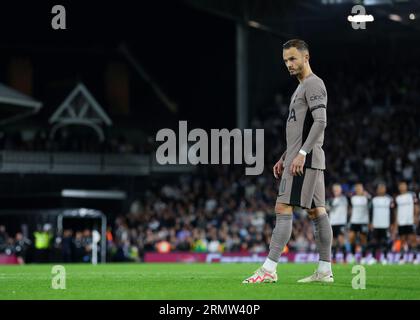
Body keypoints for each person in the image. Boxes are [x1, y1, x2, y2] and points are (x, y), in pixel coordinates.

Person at [243, 39, 333, 284]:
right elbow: (299, 129)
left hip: (306, 159)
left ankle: (269, 269)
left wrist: (301, 155)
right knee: (317, 212)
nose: (289, 64)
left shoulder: (313, 83)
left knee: (282, 208)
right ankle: (324, 270)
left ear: (306, 57)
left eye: (293, 58)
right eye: (285, 60)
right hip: (306, 157)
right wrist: (286, 155)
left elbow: (321, 121)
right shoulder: (301, 86)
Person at [395, 181, 419, 264]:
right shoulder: (398, 198)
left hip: (410, 221)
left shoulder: (411, 195)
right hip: (401, 222)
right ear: (399, 188)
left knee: (413, 239)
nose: (402, 187)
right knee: (402, 240)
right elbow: (396, 211)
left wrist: (416, 217)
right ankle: (402, 258)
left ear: (406, 187)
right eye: (401, 186)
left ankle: (415, 257)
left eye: (404, 185)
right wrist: (396, 222)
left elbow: (416, 206)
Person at [370, 183, 394, 264]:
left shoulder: (389, 199)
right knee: (374, 242)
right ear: (377, 190)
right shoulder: (374, 200)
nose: (381, 190)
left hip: (385, 224)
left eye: (382, 188)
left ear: (385, 189)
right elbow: (371, 212)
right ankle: (374, 258)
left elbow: (392, 212)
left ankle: (385, 257)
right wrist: (370, 223)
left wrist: (391, 223)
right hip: (376, 224)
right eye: (380, 188)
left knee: (385, 242)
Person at [348, 183, 370, 264]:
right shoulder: (352, 198)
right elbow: (349, 208)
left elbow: (371, 206)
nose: (358, 189)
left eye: (360, 188)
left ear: (363, 189)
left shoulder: (366, 198)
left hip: (363, 221)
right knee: (351, 238)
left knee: (363, 239)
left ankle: (363, 257)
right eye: (357, 188)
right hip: (354, 221)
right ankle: (353, 256)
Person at [327, 183, 348, 262]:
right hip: (332, 223)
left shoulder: (344, 199)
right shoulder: (330, 200)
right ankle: (334, 258)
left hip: (341, 223)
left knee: (341, 240)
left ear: (340, 190)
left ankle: (345, 259)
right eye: (335, 190)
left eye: (338, 190)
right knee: (333, 242)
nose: (336, 191)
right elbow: (327, 208)